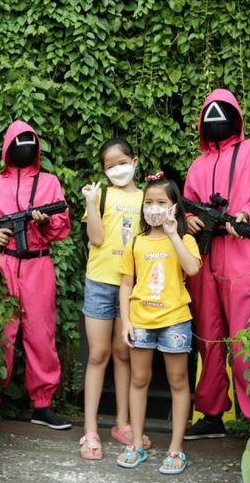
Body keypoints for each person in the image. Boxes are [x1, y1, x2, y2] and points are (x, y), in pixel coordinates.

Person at [182, 89, 250, 438]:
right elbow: (187, 207)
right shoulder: (197, 164)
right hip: (204, 258)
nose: (216, 117)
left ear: (236, 116)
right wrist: (188, 222)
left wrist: (245, 214)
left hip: (243, 255)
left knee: (244, 341)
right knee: (207, 338)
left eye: (223, 111)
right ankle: (211, 414)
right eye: (209, 112)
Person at [0, 121, 72, 430]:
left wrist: (44, 224)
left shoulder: (49, 182)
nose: (23, 147)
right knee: (0, 334)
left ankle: (42, 406)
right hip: (2, 265)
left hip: (37, 264)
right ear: (7, 147)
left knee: (41, 336)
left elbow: (62, 227)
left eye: (29, 141)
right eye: (18, 141)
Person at [116, 173, 200, 475]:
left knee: (179, 382)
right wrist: (125, 322)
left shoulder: (185, 239)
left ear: (174, 206)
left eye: (161, 202)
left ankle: (176, 449)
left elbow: (192, 268)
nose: (153, 207)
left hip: (175, 321)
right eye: (148, 202)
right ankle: (136, 443)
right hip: (140, 321)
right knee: (138, 381)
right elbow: (126, 285)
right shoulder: (135, 241)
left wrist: (173, 233)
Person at [78, 138, 152, 459]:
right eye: (110, 166)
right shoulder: (102, 195)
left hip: (131, 286)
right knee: (98, 354)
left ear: (134, 161)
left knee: (124, 353)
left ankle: (122, 424)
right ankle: (90, 430)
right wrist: (92, 204)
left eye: (122, 162)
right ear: (103, 171)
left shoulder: (148, 200)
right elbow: (95, 238)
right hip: (99, 282)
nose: (117, 169)